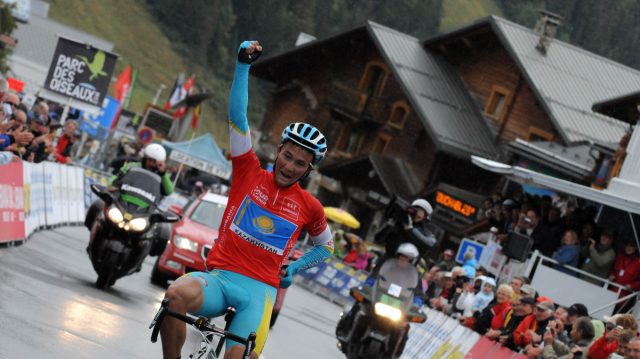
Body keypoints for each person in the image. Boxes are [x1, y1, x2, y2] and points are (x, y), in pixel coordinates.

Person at [159, 41, 334, 359]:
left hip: (261, 292)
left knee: (237, 357)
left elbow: (327, 246)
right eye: (288, 155)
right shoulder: (247, 170)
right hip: (221, 277)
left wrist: (295, 268)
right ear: (278, 151)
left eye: (299, 163)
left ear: (308, 169)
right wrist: (243, 67)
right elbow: (237, 117)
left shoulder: (310, 206)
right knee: (174, 296)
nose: (290, 165)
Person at [84, 143, 174, 230]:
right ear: (145, 158)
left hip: (144, 210)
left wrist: (163, 173)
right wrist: (111, 185)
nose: (152, 164)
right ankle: (93, 229)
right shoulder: (132, 167)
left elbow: (169, 191)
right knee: (98, 204)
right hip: (122, 202)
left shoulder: (163, 175)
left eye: (155, 162)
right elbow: (117, 177)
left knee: (161, 230)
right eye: (150, 160)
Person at [372, 197, 436, 278]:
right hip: (385, 264)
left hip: (406, 272)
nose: (417, 213)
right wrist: (390, 224)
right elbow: (378, 239)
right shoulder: (398, 223)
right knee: (370, 283)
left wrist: (410, 229)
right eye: (416, 209)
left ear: (426, 216)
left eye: (421, 211)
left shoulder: (426, 233)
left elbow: (430, 244)